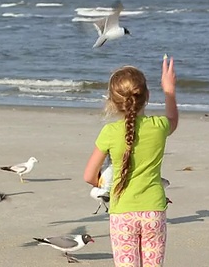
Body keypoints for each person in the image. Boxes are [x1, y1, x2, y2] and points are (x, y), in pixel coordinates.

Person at [84, 56, 178, 267]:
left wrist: (106, 183)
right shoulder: (158, 126)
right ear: (147, 96)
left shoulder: (109, 132)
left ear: (111, 100)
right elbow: (173, 120)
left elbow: (89, 175)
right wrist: (169, 90)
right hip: (154, 210)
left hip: (122, 213)